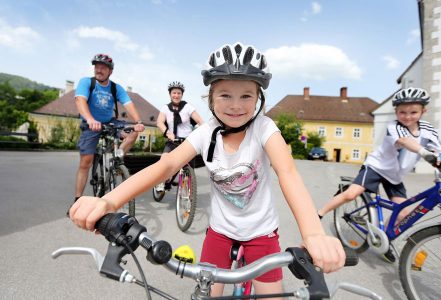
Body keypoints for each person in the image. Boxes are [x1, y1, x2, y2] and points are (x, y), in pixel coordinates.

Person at [69, 43, 345, 298]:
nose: (236, 105)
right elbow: (166, 165)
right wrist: (108, 200)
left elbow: (289, 174)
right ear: (210, 97)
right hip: (220, 233)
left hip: (262, 234)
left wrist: (314, 235)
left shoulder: (264, 128)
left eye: (246, 95)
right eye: (225, 94)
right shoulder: (206, 132)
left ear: (258, 98)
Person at [317, 87, 441, 263]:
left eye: (413, 112)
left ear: (423, 111)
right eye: (402, 112)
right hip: (376, 167)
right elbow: (404, 141)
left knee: (402, 213)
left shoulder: (427, 129)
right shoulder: (394, 126)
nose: (407, 116)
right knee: (352, 193)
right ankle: (319, 213)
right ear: (396, 112)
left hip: (394, 175)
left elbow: (440, 150)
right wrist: (425, 153)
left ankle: (384, 239)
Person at [71, 53, 145, 210]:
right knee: (86, 162)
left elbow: (128, 104)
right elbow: (80, 101)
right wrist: (90, 119)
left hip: (110, 122)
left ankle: (117, 158)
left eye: (103, 67)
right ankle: (77, 200)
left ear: (110, 71)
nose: (99, 69)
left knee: (132, 132)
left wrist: (138, 121)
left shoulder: (115, 87)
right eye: (97, 66)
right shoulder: (87, 82)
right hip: (91, 123)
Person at [155, 81, 203, 190]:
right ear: (170, 94)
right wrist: (168, 133)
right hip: (172, 140)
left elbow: (200, 121)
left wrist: (202, 132)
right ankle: (161, 181)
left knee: (189, 167)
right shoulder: (165, 108)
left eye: (178, 93)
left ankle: (186, 190)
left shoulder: (188, 107)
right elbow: (159, 122)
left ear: (182, 95)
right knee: (164, 161)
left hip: (187, 141)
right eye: (174, 93)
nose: (176, 95)